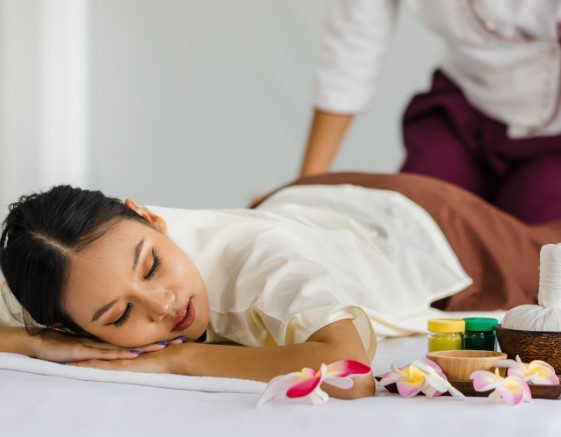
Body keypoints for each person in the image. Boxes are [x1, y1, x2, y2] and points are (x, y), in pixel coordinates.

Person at [1, 173, 560, 399]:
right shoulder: (58, 269)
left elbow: (350, 366)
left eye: (151, 267)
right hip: (301, 206)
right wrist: (38, 346)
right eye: (120, 317)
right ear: (64, 322)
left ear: (148, 217)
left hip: (418, 227)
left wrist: (176, 362)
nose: (164, 305)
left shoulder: (260, 267)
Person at [301, 0, 561, 224]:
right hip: (464, 104)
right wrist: (301, 193)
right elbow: (352, 44)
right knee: (411, 224)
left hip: (552, 138)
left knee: (534, 254)